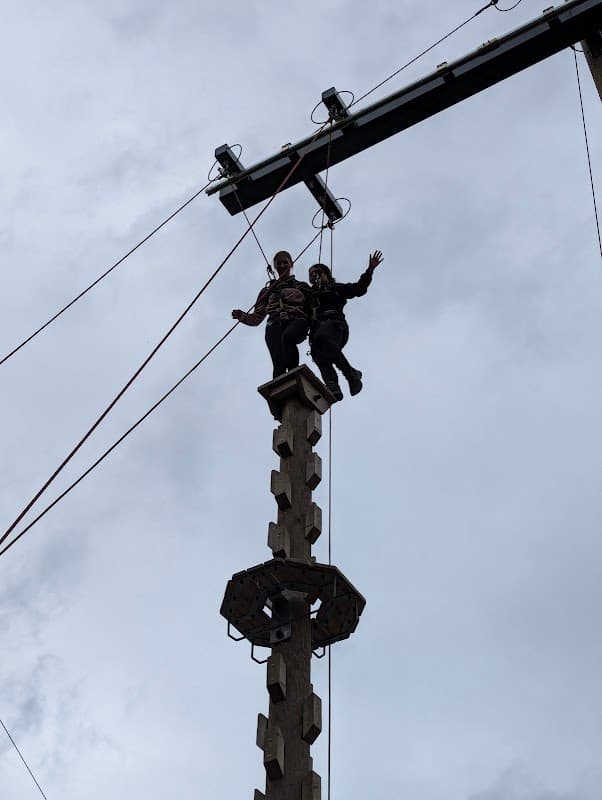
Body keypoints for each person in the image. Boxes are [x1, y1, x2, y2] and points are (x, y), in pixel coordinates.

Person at [308, 250, 383, 400]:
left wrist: (369, 271)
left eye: (318, 272)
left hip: (334, 325)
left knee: (322, 338)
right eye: (311, 274)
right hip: (318, 332)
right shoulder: (310, 295)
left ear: (326, 275)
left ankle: (351, 375)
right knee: (319, 355)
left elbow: (358, 288)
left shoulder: (335, 288)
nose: (314, 276)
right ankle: (333, 387)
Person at [232, 250, 311, 379]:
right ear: (275, 266)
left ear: (291, 264)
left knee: (288, 337)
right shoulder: (268, 290)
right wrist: (242, 316)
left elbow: (312, 307)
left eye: (285, 262)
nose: (282, 265)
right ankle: (280, 389)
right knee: (278, 361)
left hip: (296, 320)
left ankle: (293, 375)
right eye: (279, 263)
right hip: (274, 324)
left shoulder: (301, 286)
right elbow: (257, 317)